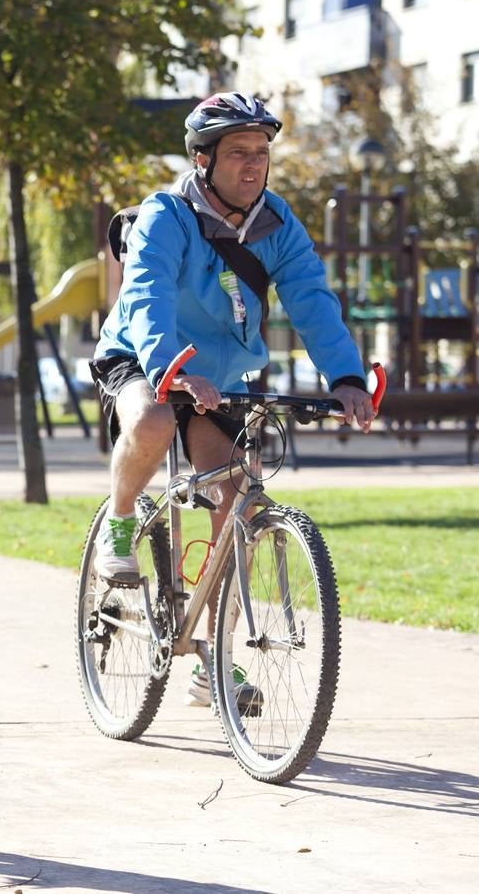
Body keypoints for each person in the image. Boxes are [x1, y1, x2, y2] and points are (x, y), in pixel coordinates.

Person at [90, 92, 375, 708]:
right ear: (202, 159)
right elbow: (146, 297)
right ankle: (117, 525)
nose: (253, 165)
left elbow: (312, 300)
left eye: (262, 153)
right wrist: (169, 367)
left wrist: (346, 379)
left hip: (223, 378)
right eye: (238, 153)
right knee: (152, 417)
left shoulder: (277, 222)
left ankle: (209, 661)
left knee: (237, 495)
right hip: (146, 355)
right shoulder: (168, 215)